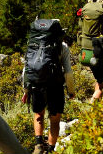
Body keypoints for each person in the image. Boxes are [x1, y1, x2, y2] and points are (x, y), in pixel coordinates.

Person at [21, 19, 75, 154]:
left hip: (36, 84)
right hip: (55, 86)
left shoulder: (32, 44)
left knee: (38, 115)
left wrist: (26, 90)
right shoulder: (62, 46)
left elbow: (26, 69)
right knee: (55, 120)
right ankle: (50, 150)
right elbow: (68, 72)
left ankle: (38, 146)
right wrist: (71, 90)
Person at [77, 0, 103, 103]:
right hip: (102, 55)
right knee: (101, 85)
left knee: (99, 80)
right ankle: (93, 108)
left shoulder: (87, 21)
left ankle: (100, 107)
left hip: (87, 52)